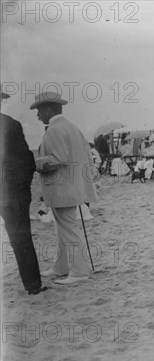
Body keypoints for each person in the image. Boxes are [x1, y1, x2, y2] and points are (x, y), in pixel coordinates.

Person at [30, 91, 98, 285]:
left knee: (68, 229)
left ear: (49, 109)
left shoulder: (54, 130)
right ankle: (61, 267)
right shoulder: (72, 128)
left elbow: (58, 159)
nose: (37, 116)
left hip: (61, 188)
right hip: (72, 187)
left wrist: (33, 163)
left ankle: (79, 272)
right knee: (62, 229)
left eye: (39, 111)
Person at [0, 91, 46, 295]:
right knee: (21, 238)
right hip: (11, 194)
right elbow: (26, 162)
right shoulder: (11, 124)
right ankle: (33, 284)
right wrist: (22, 190)